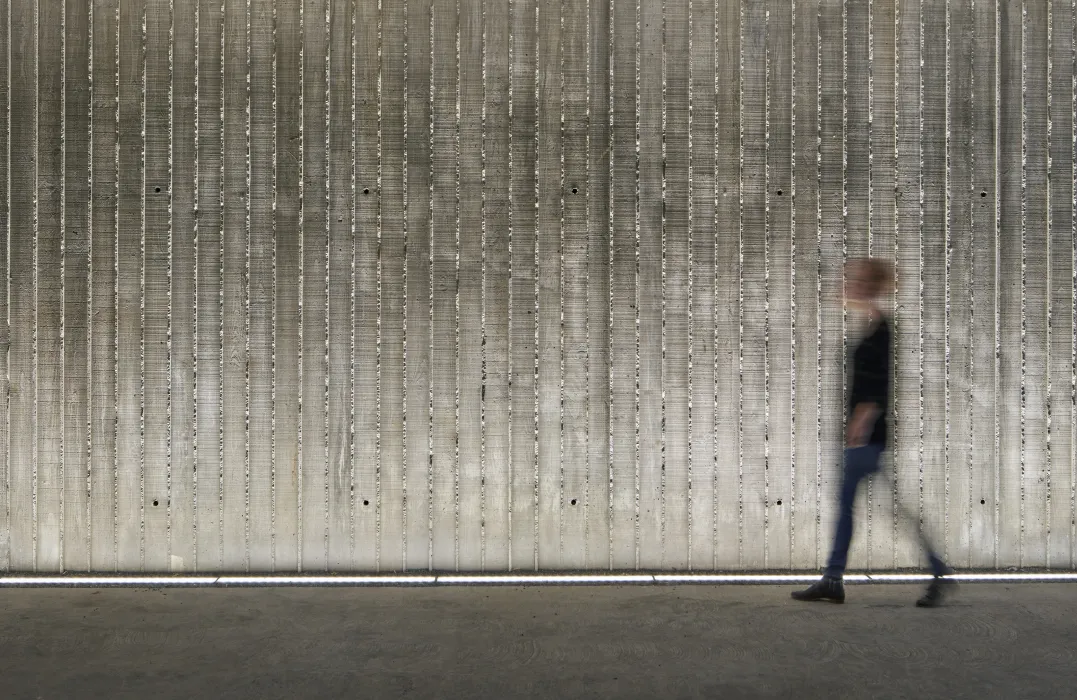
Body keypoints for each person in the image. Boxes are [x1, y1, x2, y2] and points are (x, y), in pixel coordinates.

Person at [791, 257, 954, 607]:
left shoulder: (881, 330)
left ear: (876, 286)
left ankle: (836, 579)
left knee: (857, 507)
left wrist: (861, 421)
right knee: (860, 506)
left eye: (863, 281)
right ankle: (836, 578)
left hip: (867, 436)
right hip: (864, 434)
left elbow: (879, 384)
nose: (854, 285)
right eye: (855, 280)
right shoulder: (872, 324)